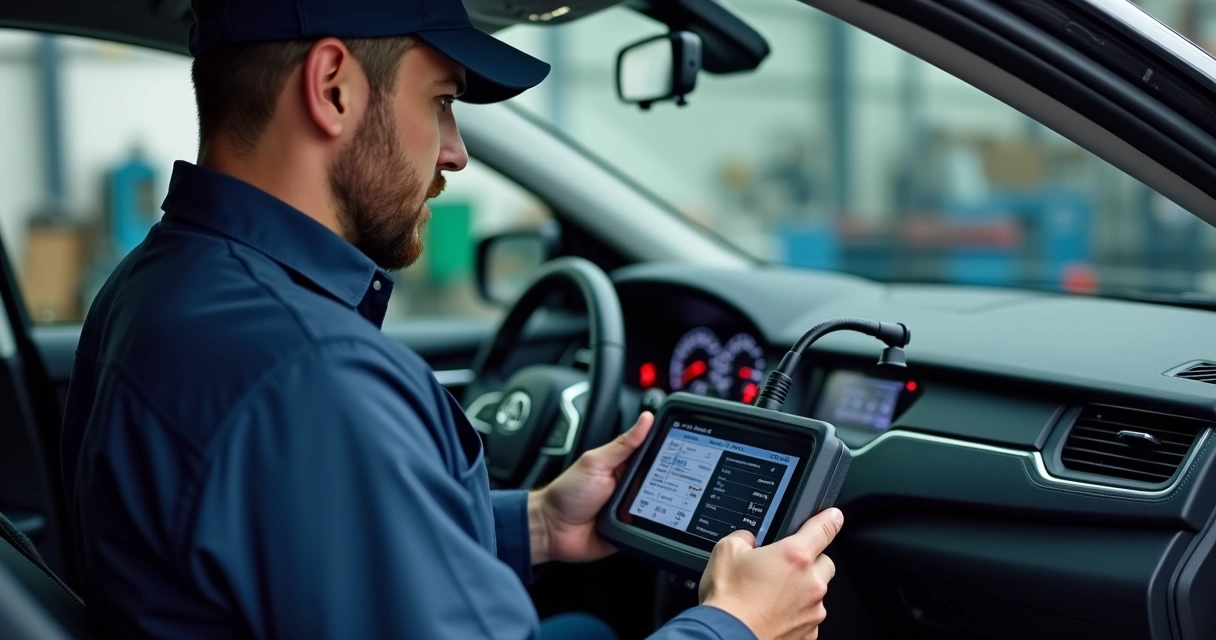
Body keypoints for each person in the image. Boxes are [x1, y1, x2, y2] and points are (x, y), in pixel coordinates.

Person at [59, 0, 842, 638]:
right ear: (332, 87)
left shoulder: (157, 283)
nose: (455, 151)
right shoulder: (316, 375)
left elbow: (296, 540)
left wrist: (537, 523)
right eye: (440, 102)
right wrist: (737, 625)